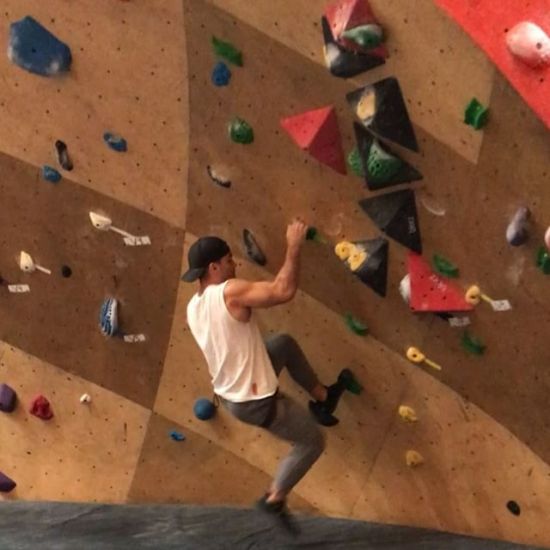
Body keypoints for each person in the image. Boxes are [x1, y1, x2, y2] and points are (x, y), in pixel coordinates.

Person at [183, 219, 350, 531]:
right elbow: (282, 290)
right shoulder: (229, 292)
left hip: (236, 393)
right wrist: (294, 245)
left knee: (282, 345)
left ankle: (323, 398)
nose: (235, 265)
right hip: (256, 401)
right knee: (312, 442)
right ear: (214, 266)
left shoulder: (193, 307)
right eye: (230, 260)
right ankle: (275, 498)